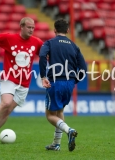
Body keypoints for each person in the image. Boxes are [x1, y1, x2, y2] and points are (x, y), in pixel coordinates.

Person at [39, 19, 87, 152]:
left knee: (50, 115)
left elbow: (42, 56)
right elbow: (83, 67)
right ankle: (56, 144)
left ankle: (69, 130)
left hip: (55, 81)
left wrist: (43, 76)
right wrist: (74, 81)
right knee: (60, 111)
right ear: (67, 30)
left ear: (54, 30)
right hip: (69, 83)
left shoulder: (49, 43)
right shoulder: (74, 46)